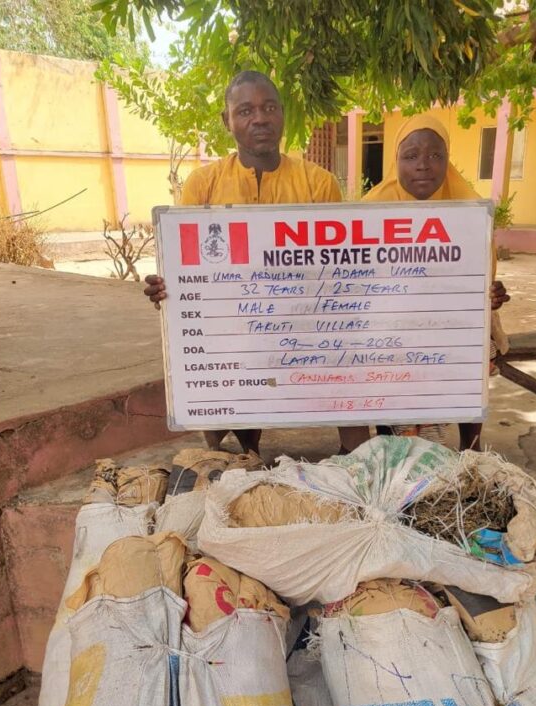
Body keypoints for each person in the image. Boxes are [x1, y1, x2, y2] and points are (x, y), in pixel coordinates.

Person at [145, 70, 369, 456]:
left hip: (308, 324)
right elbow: (186, 266)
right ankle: (243, 451)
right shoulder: (203, 184)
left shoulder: (318, 183)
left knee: (344, 367)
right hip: (237, 324)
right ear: (227, 121)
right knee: (217, 397)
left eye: (268, 108)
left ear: (283, 115)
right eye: (245, 110)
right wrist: (168, 288)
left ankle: (358, 462)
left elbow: (340, 268)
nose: (259, 118)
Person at [363, 113, 510, 451]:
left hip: (450, 321)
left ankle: (471, 446)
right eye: (411, 155)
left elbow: (481, 279)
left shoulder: (470, 210)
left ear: (448, 160)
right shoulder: (370, 210)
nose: (423, 165)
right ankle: (395, 442)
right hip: (389, 324)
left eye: (435, 155)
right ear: (396, 160)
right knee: (379, 356)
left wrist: (491, 296)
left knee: (475, 347)